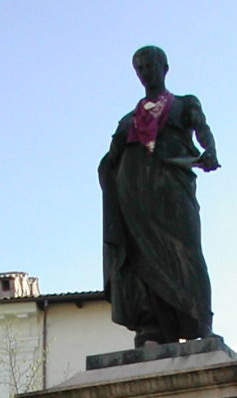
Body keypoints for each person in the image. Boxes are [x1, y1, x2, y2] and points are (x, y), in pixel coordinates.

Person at [99, 46, 220, 348]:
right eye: (140, 67)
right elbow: (111, 160)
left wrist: (210, 152)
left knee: (187, 252)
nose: (146, 71)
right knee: (141, 258)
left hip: (173, 189)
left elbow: (203, 130)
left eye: (151, 64)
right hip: (134, 196)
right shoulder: (129, 120)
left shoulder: (183, 104)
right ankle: (151, 328)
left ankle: (202, 321)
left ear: (165, 66)